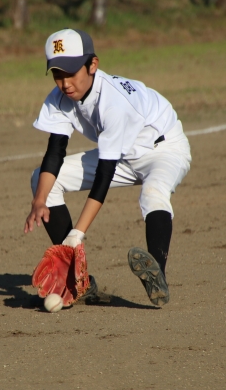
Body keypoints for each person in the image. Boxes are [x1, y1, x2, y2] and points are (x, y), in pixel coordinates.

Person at [24, 29, 191, 306]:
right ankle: (79, 280)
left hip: (163, 149)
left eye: (71, 72)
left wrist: (78, 233)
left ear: (92, 65)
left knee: (153, 194)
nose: (64, 83)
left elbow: (105, 175)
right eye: (57, 74)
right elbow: (55, 151)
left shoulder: (113, 102)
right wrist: (39, 200)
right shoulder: (59, 98)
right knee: (39, 179)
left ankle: (157, 274)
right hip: (120, 155)